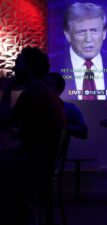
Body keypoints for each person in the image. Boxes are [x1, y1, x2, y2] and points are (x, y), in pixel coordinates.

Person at [0, 47, 66, 224]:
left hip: (33, 166)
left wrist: (6, 91)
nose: (14, 69)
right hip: (42, 163)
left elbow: (5, 122)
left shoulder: (32, 94)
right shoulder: (46, 93)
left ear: (27, 68)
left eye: (18, 64)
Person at [49, 2, 107, 100]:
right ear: (68, 35)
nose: (89, 39)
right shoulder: (49, 67)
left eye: (94, 31)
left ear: (104, 33)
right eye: (81, 32)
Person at [44, 72, 88, 139]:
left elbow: (83, 132)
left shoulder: (68, 108)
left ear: (58, 88)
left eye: (48, 83)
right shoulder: (32, 105)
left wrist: (60, 126)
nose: (43, 86)